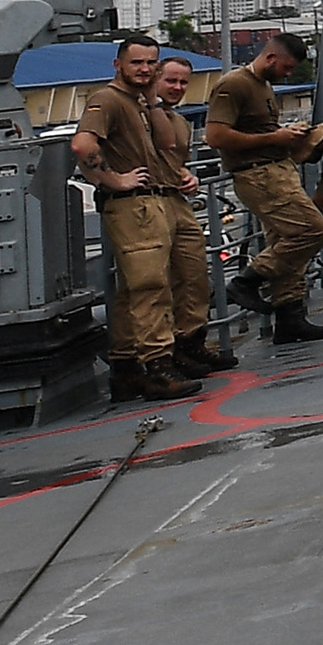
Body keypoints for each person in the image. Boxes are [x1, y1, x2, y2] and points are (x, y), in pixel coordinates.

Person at [72, 37, 221, 399]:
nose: (145, 69)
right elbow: (82, 145)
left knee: (156, 283)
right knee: (149, 287)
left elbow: (168, 144)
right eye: (137, 62)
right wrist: (113, 179)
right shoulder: (107, 99)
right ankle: (156, 366)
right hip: (133, 205)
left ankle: (129, 367)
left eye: (151, 62)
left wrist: (152, 99)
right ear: (118, 64)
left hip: (157, 199)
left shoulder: (140, 102)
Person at [206, 29, 323, 347]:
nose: (288, 74)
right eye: (287, 68)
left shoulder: (263, 86)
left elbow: (257, 128)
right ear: (270, 57)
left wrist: (285, 135)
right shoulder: (234, 85)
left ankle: (289, 318)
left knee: (285, 240)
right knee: (312, 230)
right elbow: (216, 136)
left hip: (276, 169)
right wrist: (273, 139)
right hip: (259, 175)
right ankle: (246, 281)